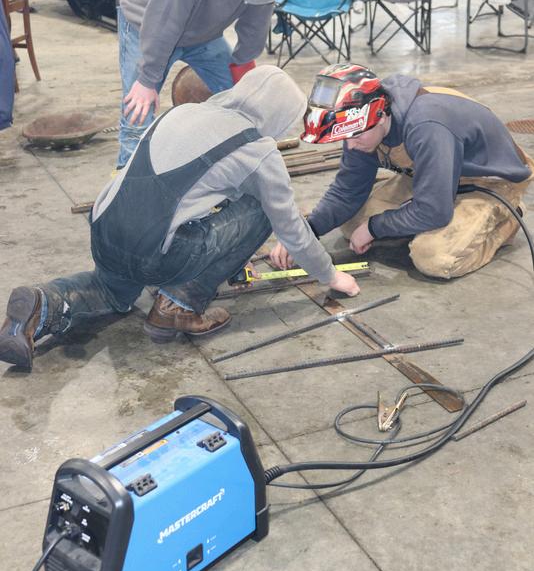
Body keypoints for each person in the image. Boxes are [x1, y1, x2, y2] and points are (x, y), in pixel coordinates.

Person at [0, 66, 359, 371]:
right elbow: (291, 228)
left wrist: (229, 248)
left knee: (111, 291)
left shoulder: (183, 112)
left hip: (105, 230)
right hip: (156, 253)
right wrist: (330, 275)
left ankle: (42, 303)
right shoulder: (258, 150)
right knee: (265, 208)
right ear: (279, 115)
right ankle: (180, 304)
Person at [271, 63, 534, 280]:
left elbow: (433, 210)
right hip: (431, 173)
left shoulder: (427, 125)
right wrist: (304, 234)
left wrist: (375, 228)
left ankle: (506, 220)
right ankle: (431, 222)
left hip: (490, 180)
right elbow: (346, 192)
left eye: (355, 136)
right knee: (351, 224)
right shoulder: (361, 126)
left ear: (380, 115)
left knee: (433, 258)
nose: (350, 146)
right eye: (345, 138)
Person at [117, 0, 282, 168]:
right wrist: (147, 79)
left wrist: (243, 63)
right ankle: (127, 181)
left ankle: (234, 168)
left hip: (204, 33)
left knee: (241, 101)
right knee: (138, 110)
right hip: (147, 23)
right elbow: (163, 22)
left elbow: (257, 19)